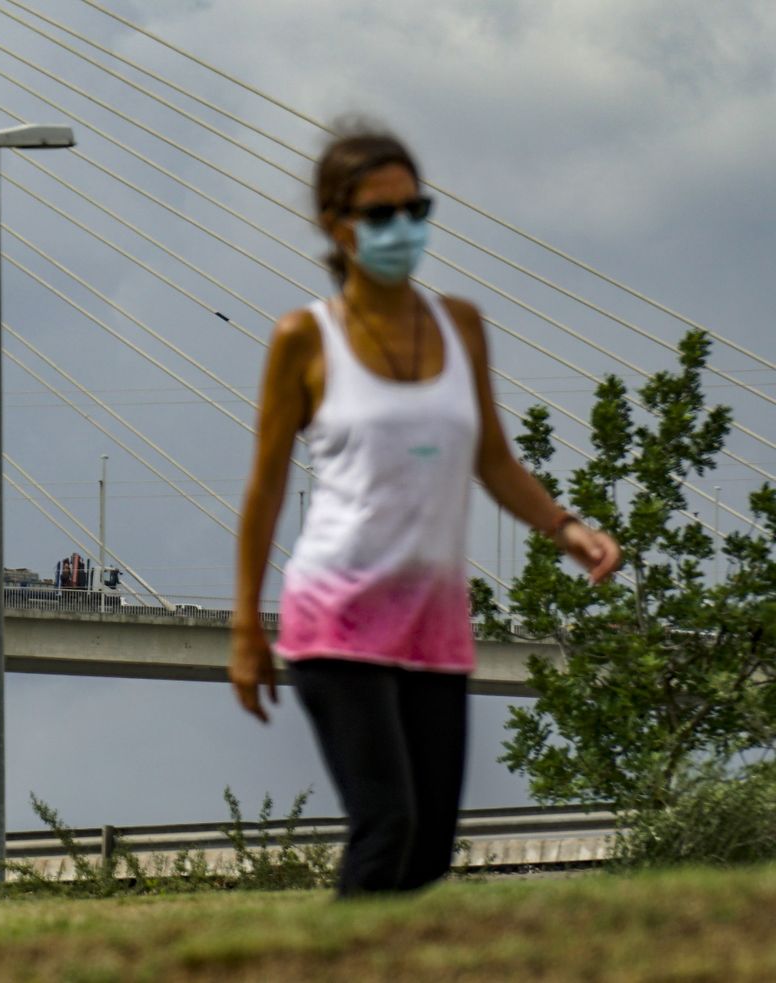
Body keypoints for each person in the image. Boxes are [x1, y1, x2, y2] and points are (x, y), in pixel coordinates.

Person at [228, 126, 621, 898]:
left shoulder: (461, 326)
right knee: (387, 826)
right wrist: (246, 626)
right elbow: (265, 486)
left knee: (430, 849)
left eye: (416, 208)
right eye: (381, 214)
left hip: (433, 622)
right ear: (336, 226)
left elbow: (494, 460)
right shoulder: (304, 339)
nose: (402, 228)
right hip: (334, 617)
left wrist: (566, 527)